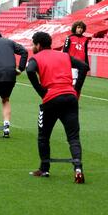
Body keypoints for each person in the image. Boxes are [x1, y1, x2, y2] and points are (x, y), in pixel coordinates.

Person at [26, 32, 89, 184]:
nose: (32, 47)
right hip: (70, 97)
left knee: (43, 136)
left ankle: (44, 168)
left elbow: (29, 70)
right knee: (73, 137)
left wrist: (41, 91)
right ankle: (78, 168)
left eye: (33, 44)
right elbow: (84, 67)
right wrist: (76, 89)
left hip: (52, 99)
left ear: (38, 45)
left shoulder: (36, 58)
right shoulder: (64, 56)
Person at [63, 21, 89, 85]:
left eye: (81, 28)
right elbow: (65, 52)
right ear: (75, 28)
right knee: (73, 83)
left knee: (79, 85)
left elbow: (85, 52)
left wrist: (87, 64)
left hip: (82, 65)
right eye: (78, 27)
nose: (80, 29)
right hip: (72, 64)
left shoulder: (85, 39)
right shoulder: (69, 38)